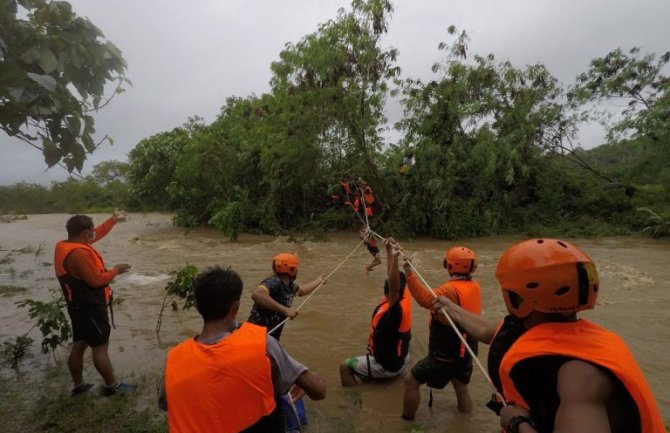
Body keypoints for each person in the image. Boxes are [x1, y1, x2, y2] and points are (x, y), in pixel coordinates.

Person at [434, 238, 665, 433]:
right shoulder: (549, 333)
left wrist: (517, 423)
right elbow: (489, 332)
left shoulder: (580, 375)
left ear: (519, 299)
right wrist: (449, 307)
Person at [159, 266, 326, 433]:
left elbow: (166, 405)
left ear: (197, 307)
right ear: (236, 308)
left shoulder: (173, 359)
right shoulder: (262, 343)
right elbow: (319, 391)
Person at [53, 210, 134, 396]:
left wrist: (112, 220)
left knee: (80, 344)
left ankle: (78, 386)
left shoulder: (67, 245)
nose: (93, 234)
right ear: (84, 233)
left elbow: (98, 232)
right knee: (100, 347)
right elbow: (96, 281)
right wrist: (116, 270)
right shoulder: (79, 254)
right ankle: (112, 386)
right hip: (89, 306)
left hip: (77, 305)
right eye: (91, 232)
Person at [401, 246, 481, 420]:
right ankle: (465, 423)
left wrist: (408, 270)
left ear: (449, 265)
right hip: (466, 351)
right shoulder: (474, 286)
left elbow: (424, 298)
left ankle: (406, 421)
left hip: (446, 353)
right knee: (461, 388)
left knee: (410, 381)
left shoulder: (449, 291)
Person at [339, 237, 412, 386]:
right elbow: (394, 281)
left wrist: (395, 257)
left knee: (345, 366)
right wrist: (389, 251)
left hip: (389, 367)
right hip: (404, 359)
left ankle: (351, 402)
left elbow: (393, 286)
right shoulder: (406, 297)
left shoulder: (394, 310)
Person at [247, 252, 326, 341]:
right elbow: (257, 294)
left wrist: (319, 281)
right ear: (292, 270)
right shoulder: (274, 281)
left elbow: (302, 291)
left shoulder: (289, 285)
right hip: (255, 336)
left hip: (269, 338)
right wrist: (285, 310)